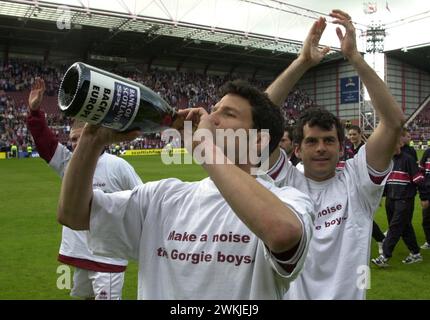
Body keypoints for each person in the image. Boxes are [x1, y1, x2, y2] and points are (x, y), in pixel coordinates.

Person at [57, 80, 315, 299]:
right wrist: (92, 140)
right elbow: (74, 215)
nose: (210, 118)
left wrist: (203, 147)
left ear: (258, 140)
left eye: (228, 114)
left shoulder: (288, 200)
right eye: (214, 109)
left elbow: (281, 233)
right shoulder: (161, 196)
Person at [264, 10, 405, 299]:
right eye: (312, 141)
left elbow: (393, 122)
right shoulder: (284, 182)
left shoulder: (358, 182)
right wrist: (302, 62)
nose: (320, 148)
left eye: (329, 140)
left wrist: (355, 58)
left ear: (341, 148)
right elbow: (256, 122)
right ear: (297, 149)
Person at [27, 78, 143, 300]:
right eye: (71, 140)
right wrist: (35, 112)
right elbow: (45, 143)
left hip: (109, 255)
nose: (73, 144)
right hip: (80, 253)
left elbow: (143, 197)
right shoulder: (68, 163)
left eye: (78, 139)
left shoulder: (118, 166)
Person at [371, 135, 424, 266]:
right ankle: (416, 253)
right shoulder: (387, 161)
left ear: (399, 144)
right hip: (391, 199)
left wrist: (425, 197)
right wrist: (380, 197)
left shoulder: (408, 160)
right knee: (405, 227)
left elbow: (419, 180)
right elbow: (384, 181)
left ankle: (384, 256)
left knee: (394, 227)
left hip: (404, 199)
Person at [418, 146, 430, 249]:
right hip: (428, 192)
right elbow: (421, 171)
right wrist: (423, 196)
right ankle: (429, 242)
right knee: (426, 219)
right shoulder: (427, 152)